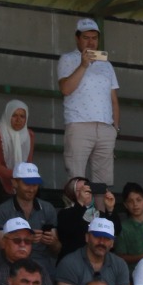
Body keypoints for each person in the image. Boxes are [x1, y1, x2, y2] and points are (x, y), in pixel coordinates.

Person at [57, 18, 120, 184]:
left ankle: (101, 211)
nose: (91, 42)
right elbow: (65, 89)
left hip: (106, 127)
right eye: (86, 38)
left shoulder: (107, 65)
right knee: (76, 180)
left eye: (94, 38)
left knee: (103, 183)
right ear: (77, 38)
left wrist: (115, 129)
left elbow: (113, 99)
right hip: (79, 124)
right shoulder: (68, 59)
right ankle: (76, 210)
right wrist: (83, 65)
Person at [56, 217, 132, 285]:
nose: (102, 242)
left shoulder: (120, 264)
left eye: (107, 238)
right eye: (97, 237)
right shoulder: (69, 262)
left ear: (112, 243)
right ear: (87, 237)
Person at [0, 163, 60, 260]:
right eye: (27, 184)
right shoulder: (3, 210)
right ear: (14, 183)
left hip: (42, 263)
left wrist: (52, 242)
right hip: (13, 262)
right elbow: (1, 246)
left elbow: (57, 249)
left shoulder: (48, 208)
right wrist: (26, 240)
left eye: (35, 185)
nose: (31, 189)